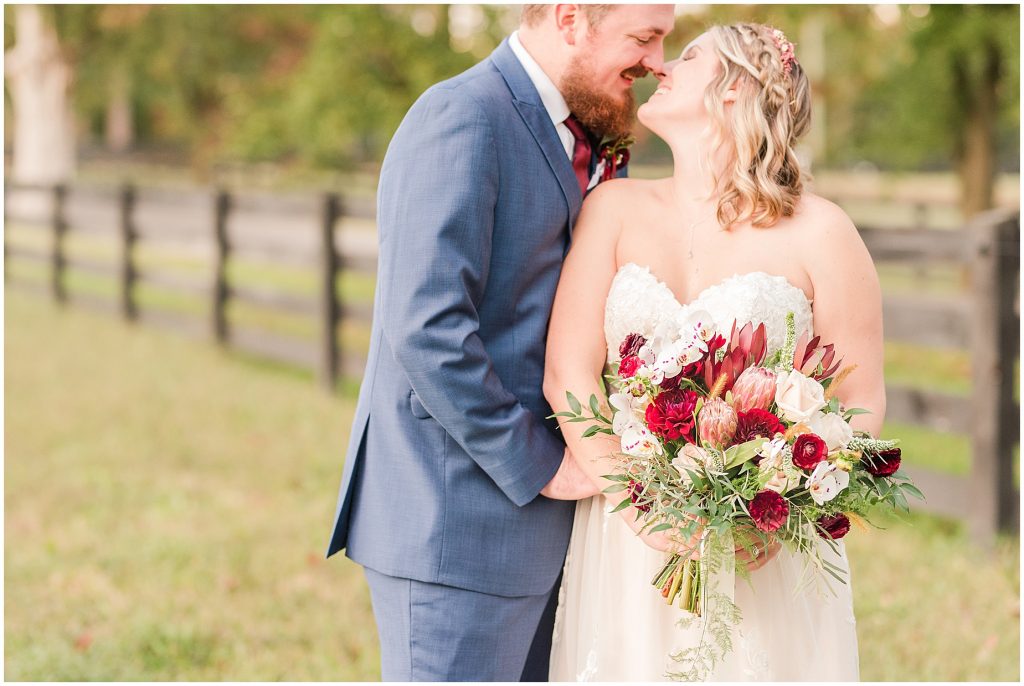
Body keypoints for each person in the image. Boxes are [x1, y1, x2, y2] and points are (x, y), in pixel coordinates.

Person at [325, 4, 676, 681]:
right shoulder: (462, 117)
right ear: (571, 18)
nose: (659, 61)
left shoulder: (593, 127)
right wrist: (545, 467)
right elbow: (427, 330)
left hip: (555, 535)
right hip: (456, 521)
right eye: (644, 37)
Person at [544, 23, 884, 680]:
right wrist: (640, 504)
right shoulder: (612, 208)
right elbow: (568, 374)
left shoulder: (823, 232)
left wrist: (780, 507)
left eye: (689, 55)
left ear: (735, 92)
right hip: (627, 534)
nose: (663, 66)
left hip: (762, 547)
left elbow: (861, 401)